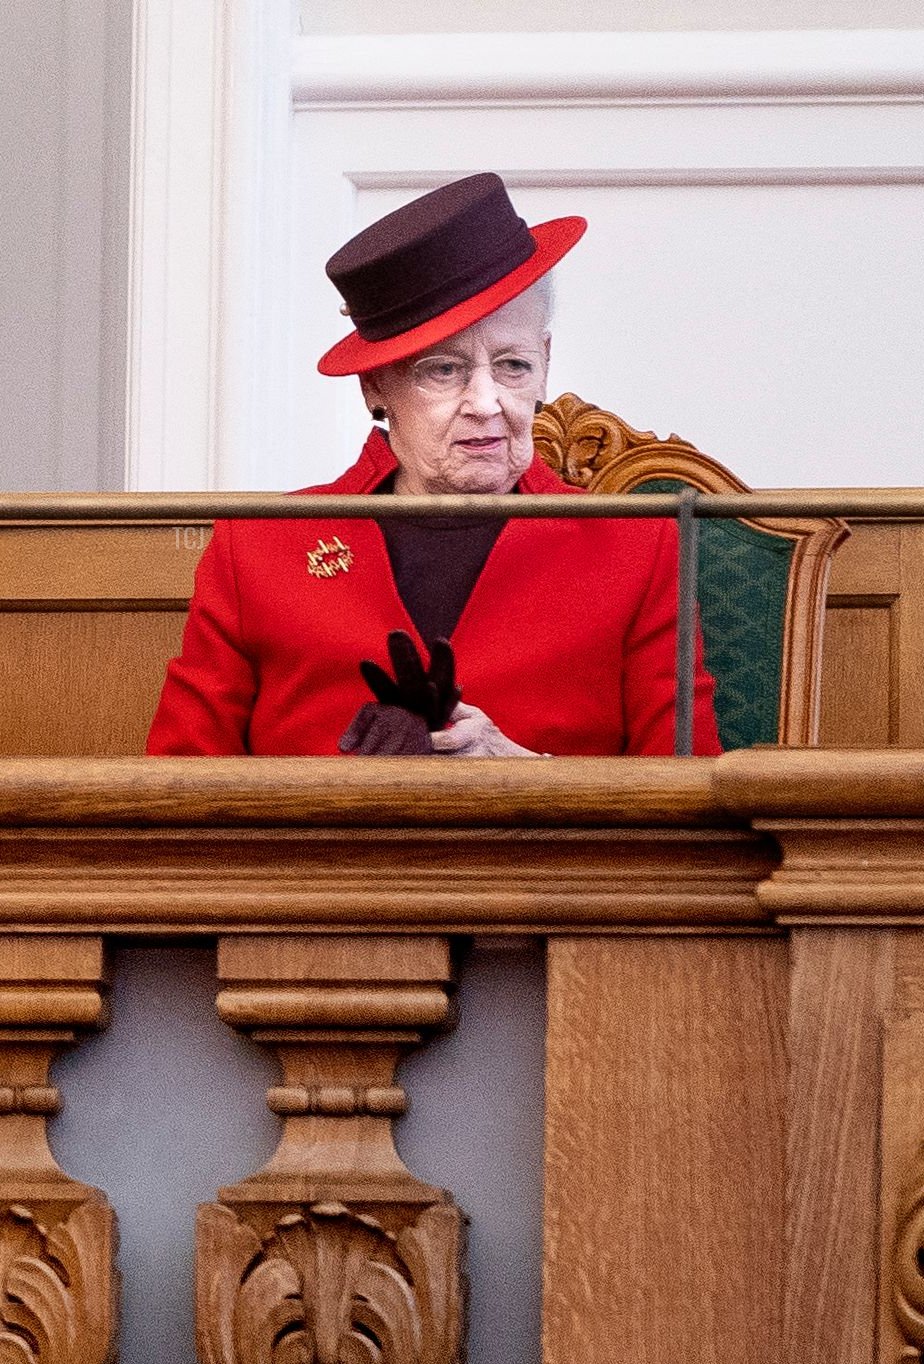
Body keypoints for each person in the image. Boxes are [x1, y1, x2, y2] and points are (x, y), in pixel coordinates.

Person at [147, 173, 721, 758]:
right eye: (442, 370)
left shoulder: (638, 548)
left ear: (545, 362)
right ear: (375, 385)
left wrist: (522, 772)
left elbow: (688, 803)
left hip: (546, 851)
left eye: (513, 365)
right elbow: (177, 791)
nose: (485, 402)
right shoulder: (260, 548)